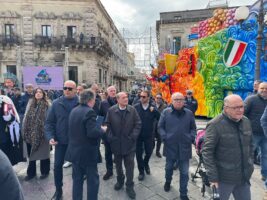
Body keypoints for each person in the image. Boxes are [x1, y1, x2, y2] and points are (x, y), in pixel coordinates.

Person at [202, 94, 254, 200]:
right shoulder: (215, 125)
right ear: (226, 108)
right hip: (223, 179)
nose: (240, 110)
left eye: (241, 106)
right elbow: (207, 152)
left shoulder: (246, 121)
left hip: (243, 177)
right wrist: (213, 178)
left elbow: (251, 145)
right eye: (235, 107)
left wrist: (250, 163)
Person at [65, 89, 107, 200]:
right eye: (94, 99)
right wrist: (102, 129)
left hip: (74, 152)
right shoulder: (89, 111)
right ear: (90, 100)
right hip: (87, 154)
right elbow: (92, 133)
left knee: (77, 180)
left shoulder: (74, 110)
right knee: (93, 181)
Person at [158, 92, 196, 200]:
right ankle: (168, 181)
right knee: (168, 167)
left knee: (184, 172)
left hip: (185, 147)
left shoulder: (189, 113)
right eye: (176, 99)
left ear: (184, 101)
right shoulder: (166, 112)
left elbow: (193, 128)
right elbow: (160, 127)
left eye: (181, 99)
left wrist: (191, 137)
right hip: (170, 146)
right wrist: (165, 137)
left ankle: (183, 193)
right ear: (172, 101)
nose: (179, 101)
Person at [45, 80, 79, 200]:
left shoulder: (81, 103)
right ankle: (58, 191)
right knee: (57, 166)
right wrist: (51, 137)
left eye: (70, 88)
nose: (67, 90)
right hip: (61, 141)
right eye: (65, 88)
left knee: (78, 167)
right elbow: (49, 123)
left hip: (77, 143)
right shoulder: (56, 103)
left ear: (75, 90)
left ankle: (77, 191)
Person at [105, 92, 141, 199]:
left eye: (126, 97)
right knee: (118, 166)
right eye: (123, 97)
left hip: (130, 145)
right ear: (118, 100)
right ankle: (120, 180)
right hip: (116, 145)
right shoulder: (111, 110)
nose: (126, 99)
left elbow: (138, 124)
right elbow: (107, 125)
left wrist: (132, 137)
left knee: (130, 166)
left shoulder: (132, 110)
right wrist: (111, 138)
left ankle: (129, 185)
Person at [22, 88, 51, 181]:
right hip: (30, 133)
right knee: (31, 154)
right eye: (36, 92)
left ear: (43, 94)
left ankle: (45, 171)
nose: (38, 94)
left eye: (40, 92)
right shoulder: (30, 103)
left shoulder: (47, 104)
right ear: (34, 94)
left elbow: (50, 119)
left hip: (42, 133)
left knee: (43, 154)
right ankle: (31, 173)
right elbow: (26, 116)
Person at [134, 90, 160, 181]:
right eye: (140, 96)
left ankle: (146, 163)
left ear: (148, 97)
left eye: (144, 96)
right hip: (138, 135)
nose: (141, 98)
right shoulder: (136, 107)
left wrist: (155, 111)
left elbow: (159, 118)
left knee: (149, 151)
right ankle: (141, 171)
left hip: (149, 134)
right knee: (138, 153)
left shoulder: (152, 107)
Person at [244, 82, 267, 181]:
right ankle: (244, 174)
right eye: (262, 88)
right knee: (248, 154)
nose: (264, 90)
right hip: (253, 133)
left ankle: (265, 175)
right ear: (258, 88)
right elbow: (242, 114)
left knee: (265, 155)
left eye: (266, 88)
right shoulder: (251, 99)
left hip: (265, 134)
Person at [0, 95, 24, 165]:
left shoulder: (4, 100)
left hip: (3, 135)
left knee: (5, 156)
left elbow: (13, 118)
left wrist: (8, 116)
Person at [99, 85, 117, 180]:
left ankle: (119, 170)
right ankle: (109, 171)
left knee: (118, 152)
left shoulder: (120, 101)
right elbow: (99, 115)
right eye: (111, 91)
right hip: (107, 132)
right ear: (107, 92)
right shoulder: (103, 103)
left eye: (114, 90)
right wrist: (100, 128)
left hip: (118, 132)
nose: (113, 92)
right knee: (108, 152)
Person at [154, 93, 167, 158]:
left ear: (161, 99)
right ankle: (151, 149)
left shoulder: (164, 106)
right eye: (157, 98)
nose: (158, 99)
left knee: (159, 139)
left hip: (160, 125)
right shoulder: (152, 105)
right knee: (151, 139)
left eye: (160, 98)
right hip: (152, 125)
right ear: (155, 98)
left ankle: (157, 151)